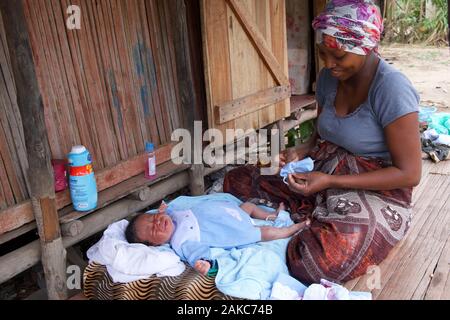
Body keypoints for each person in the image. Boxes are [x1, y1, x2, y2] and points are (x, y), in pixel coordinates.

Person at [223, 0, 422, 285]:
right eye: (323, 53)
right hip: (325, 167)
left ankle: (309, 216)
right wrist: (300, 152)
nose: (329, 64)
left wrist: (330, 182)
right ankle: (312, 211)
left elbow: (410, 173)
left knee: (315, 262)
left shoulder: (392, 88)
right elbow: (324, 132)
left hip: (377, 188)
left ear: (364, 47)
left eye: (338, 56)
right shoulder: (330, 78)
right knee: (236, 179)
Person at [125, 200, 309, 276]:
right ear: (156, 245)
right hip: (233, 229)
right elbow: (198, 254)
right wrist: (205, 264)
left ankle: (272, 216)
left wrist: (164, 210)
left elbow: (167, 212)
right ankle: (291, 229)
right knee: (264, 233)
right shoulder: (181, 241)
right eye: (152, 230)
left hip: (231, 212)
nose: (156, 222)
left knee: (248, 206)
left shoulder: (173, 216)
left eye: (152, 218)